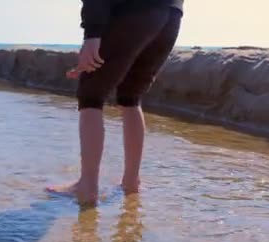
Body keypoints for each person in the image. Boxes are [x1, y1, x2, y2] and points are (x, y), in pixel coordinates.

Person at [47, 0, 184, 205]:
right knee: (131, 97)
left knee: (91, 95)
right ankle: (131, 182)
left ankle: (87, 186)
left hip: (132, 11)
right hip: (171, 15)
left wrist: (92, 34)